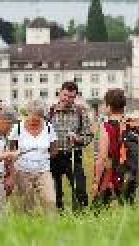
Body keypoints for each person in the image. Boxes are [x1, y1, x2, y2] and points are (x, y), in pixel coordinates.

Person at [48, 81, 93, 210]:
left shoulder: (80, 112)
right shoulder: (50, 111)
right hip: (53, 156)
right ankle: (57, 215)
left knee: (79, 188)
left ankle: (79, 216)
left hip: (72, 156)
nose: (67, 99)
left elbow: (89, 135)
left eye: (71, 97)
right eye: (65, 95)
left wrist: (78, 139)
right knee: (55, 190)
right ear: (60, 93)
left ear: (76, 97)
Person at [8, 100, 58, 213]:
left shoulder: (49, 127)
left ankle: (51, 227)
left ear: (42, 117)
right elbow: (10, 150)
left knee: (50, 201)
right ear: (27, 114)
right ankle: (29, 228)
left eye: (38, 119)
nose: (34, 121)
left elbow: (54, 150)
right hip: (22, 171)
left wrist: (42, 157)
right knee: (26, 204)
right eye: (32, 118)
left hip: (43, 171)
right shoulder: (18, 128)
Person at [92, 88, 126, 207]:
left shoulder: (106, 127)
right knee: (127, 206)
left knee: (99, 209)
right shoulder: (131, 124)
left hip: (110, 172)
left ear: (109, 106)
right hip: (128, 171)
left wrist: (96, 180)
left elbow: (102, 156)